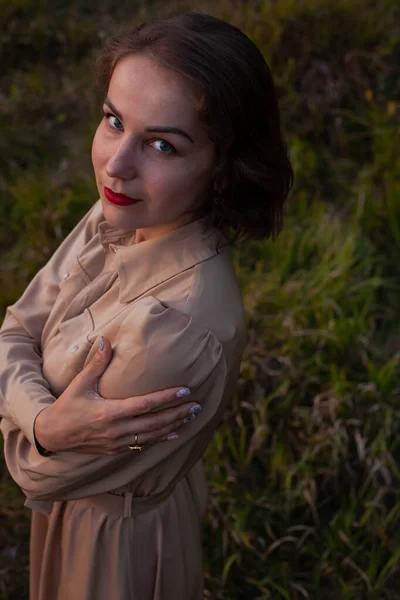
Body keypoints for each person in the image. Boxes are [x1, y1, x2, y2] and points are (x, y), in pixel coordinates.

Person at [0, 11, 293, 600]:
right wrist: (44, 419)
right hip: (79, 506)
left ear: (223, 166)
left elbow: (36, 469)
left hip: (114, 539)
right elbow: (15, 327)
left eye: (162, 143)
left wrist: (40, 432)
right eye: (114, 121)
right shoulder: (126, 208)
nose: (116, 163)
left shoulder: (174, 332)